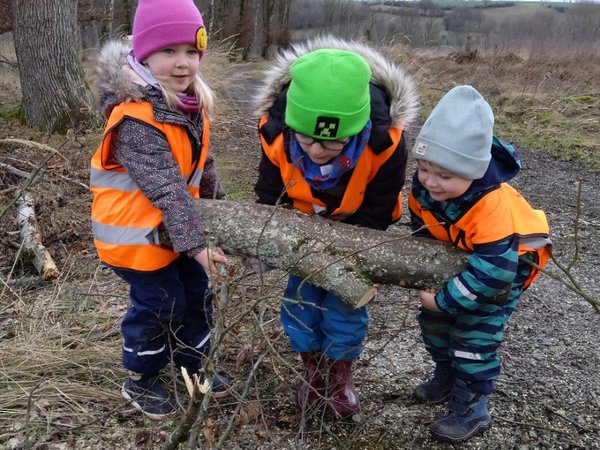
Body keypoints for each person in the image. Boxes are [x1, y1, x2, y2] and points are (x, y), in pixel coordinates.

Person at [253, 36, 419, 419]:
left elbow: (379, 206)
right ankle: (312, 369)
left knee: (345, 306)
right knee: (300, 302)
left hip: (357, 233)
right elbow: (269, 194)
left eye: (333, 145)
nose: (315, 151)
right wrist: (269, 241)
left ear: (357, 128)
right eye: (307, 139)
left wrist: (349, 255)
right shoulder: (275, 133)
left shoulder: (386, 143)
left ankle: (339, 372)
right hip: (300, 234)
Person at [90, 0, 230, 420]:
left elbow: (202, 166)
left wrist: (224, 218)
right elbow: (168, 190)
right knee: (161, 302)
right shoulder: (136, 119)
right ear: (145, 54)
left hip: (173, 233)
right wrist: (199, 247)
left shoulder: (188, 106)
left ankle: (192, 365)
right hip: (135, 237)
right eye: (169, 51)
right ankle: (142, 378)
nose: (183, 63)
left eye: (191, 51)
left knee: (195, 295)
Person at [408, 85, 552, 442]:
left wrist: (442, 298)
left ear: (472, 171)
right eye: (425, 168)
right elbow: (422, 230)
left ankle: (473, 404)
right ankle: (447, 375)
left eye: (444, 175)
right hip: (467, 253)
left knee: (474, 333)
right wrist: (428, 276)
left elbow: (493, 273)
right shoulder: (423, 188)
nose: (430, 181)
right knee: (434, 324)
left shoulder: (492, 207)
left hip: (509, 265)